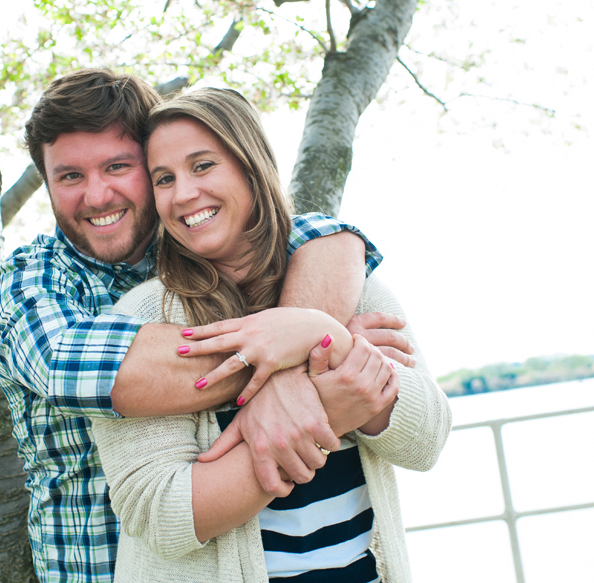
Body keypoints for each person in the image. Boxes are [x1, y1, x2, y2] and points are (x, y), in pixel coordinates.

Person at [0, 68, 415, 582]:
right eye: (70, 176)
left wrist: (310, 340)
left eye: (118, 167)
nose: (97, 196)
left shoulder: (207, 238)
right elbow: (82, 370)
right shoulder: (28, 282)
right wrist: (319, 356)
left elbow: (331, 238)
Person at [91, 88, 452, 583]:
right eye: (164, 179)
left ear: (250, 164)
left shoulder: (353, 286)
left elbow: (427, 439)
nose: (183, 194)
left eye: (203, 166)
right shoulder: (142, 318)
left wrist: (321, 334)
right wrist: (329, 401)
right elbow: (159, 515)